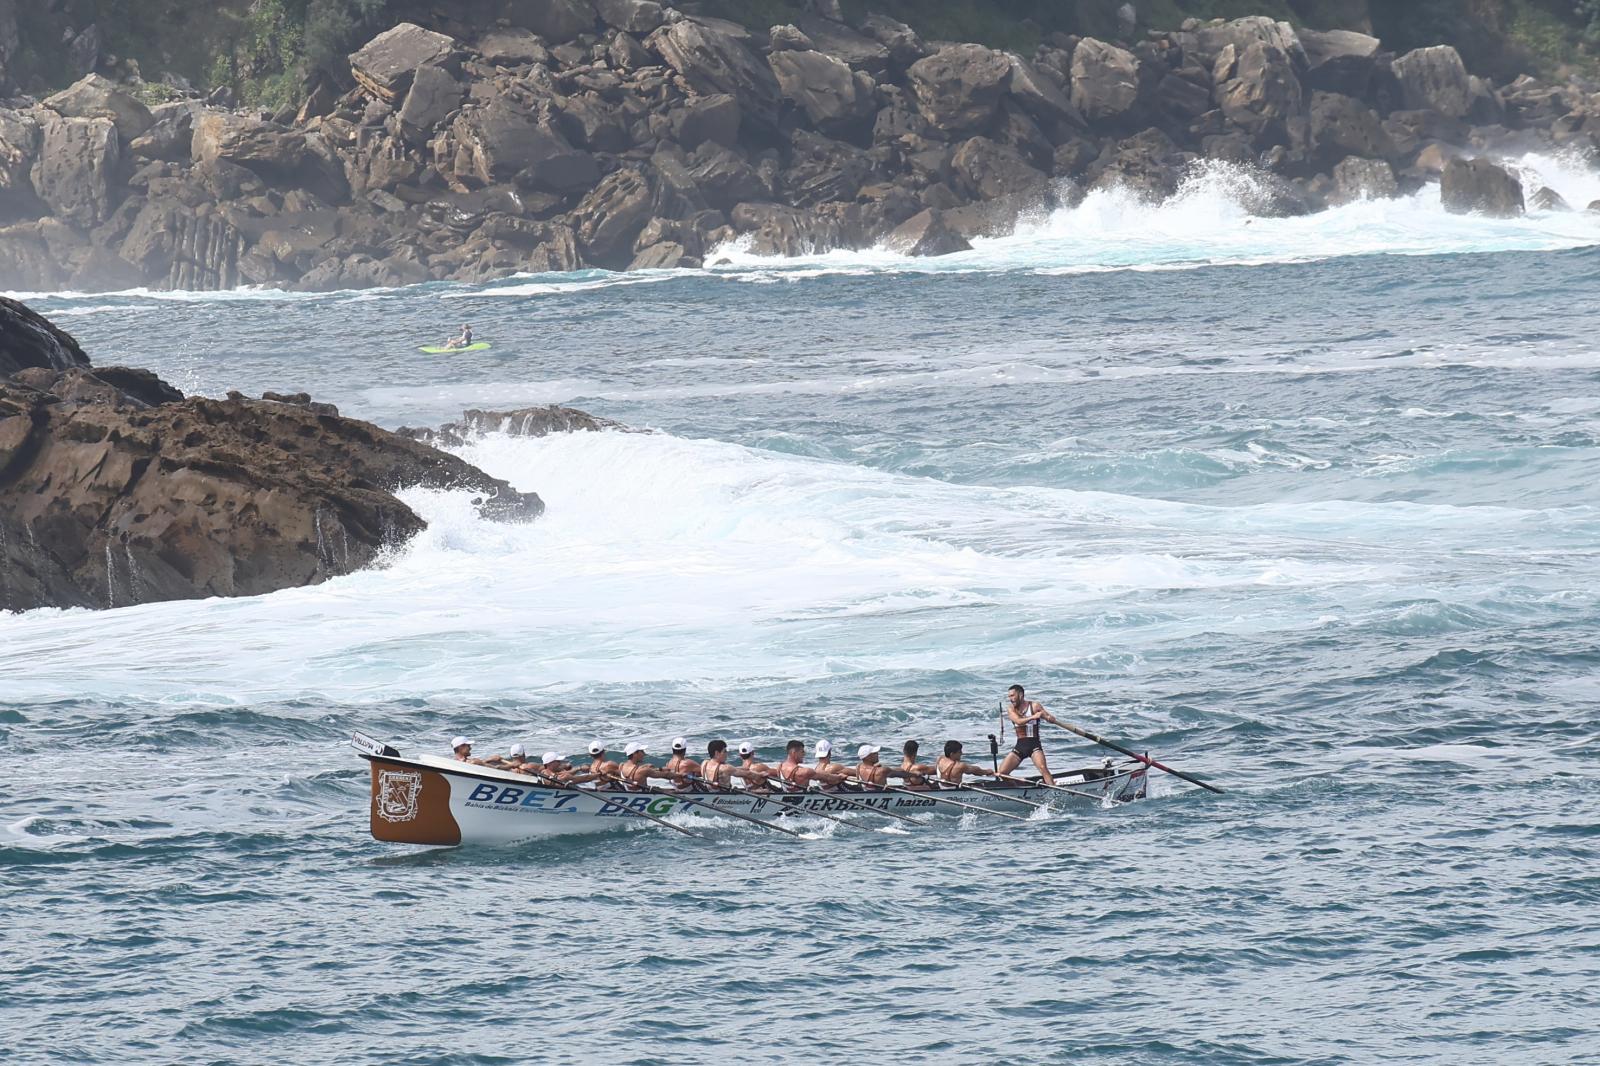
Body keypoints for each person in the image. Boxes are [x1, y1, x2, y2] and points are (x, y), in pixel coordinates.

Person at [997, 683, 1057, 786]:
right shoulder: (1011, 709)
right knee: (1002, 773)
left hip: (1034, 745)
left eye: (1012, 696)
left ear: (1020, 695)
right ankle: (1020, 787)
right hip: (1020, 746)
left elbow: (1052, 720)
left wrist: (1045, 716)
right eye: (1009, 696)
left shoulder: (1034, 706)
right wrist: (1033, 717)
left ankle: (1055, 790)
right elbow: (1018, 721)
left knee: (1043, 768)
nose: (1010, 699)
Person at [617, 742, 681, 789]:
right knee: (672, 791)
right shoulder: (643, 770)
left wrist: (659, 769)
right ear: (635, 754)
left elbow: (640, 771)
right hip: (641, 795)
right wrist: (682, 775)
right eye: (642, 751)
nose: (644, 754)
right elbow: (666, 775)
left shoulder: (621, 766)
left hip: (630, 793)